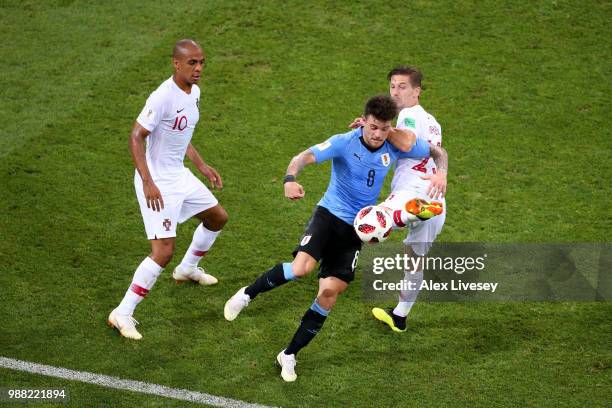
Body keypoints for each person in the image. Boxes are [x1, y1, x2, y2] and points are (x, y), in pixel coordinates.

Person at [224, 95, 448, 381]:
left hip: (358, 227)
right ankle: (247, 294)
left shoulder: (393, 143)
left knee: (329, 293)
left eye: (383, 129)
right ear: (364, 121)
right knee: (301, 269)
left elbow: (439, 152)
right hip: (329, 215)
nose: (378, 134)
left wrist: (441, 173)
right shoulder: (344, 141)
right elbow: (302, 157)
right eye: (373, 127)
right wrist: (290, 180)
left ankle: (289, 355)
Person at [107, 39, 228, 340]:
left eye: (202, 62)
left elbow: (181, 133)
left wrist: (201, 165)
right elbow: (136, 137)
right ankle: (122, 313)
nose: (198, 68)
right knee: (162, 252)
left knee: (217, 218)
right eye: (192, 63)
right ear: (176, 63)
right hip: (158, 181)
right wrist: (148, 182)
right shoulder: (162, 97)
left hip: (179, 175)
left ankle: (188, 269)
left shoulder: (194, 92)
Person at [351, 66, 446, 333]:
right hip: (435, 195)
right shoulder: (433, 121)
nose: (395, 91)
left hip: (411, 190)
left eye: (402, 86)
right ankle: (400, 316)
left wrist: (379, 127)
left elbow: (406, 143)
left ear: (417, 91)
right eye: (392, 86)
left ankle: (400, 216)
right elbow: (438, 151)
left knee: (369, 222)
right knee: (414, 260)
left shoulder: (409, 115)